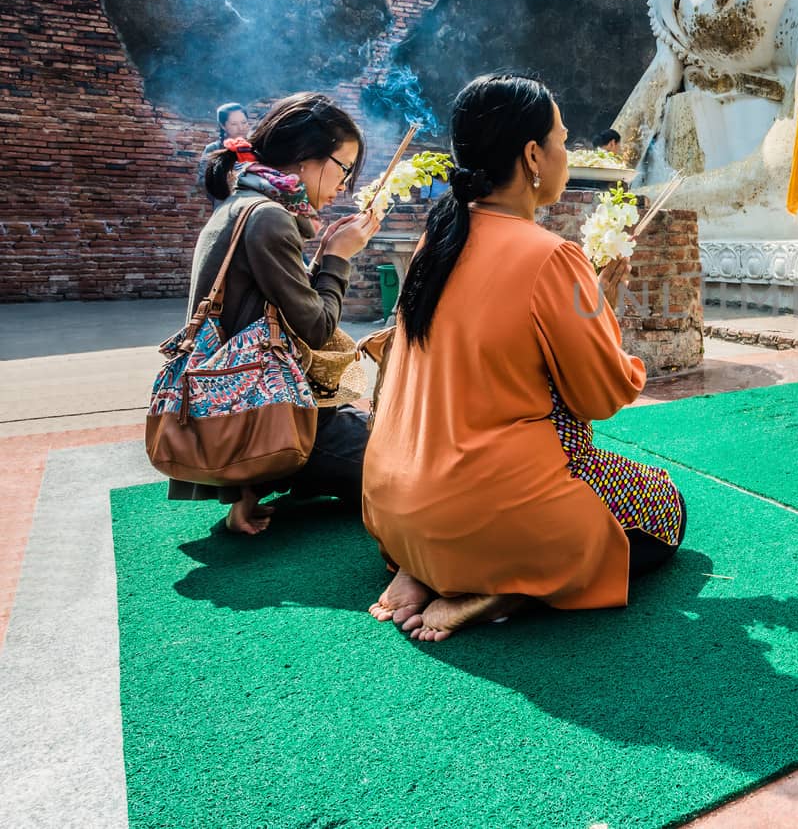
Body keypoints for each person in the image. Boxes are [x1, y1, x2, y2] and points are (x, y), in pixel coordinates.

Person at [362, 74, 686, 642]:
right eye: (561, 140)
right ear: (533, 155)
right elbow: (601, 393)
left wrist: (593, 301)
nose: (566, 153)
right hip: (487, 512)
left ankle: (424, 567)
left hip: (394, 508)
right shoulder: (553, 257)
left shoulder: (433, 241)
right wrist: (604, 316)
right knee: (668, 508)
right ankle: (507, 583)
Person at [175, 92, 381, 534]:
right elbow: (317, 327)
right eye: (344, 169)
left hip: (247, 417)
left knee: (386, 433)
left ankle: (270, 475)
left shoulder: (241, 204)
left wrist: (324, 252)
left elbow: (258, 315)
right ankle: (285, 469)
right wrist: (339, 259)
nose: (344, 185)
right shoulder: (269, 218)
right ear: (307, 158)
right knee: (411, 466)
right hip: (278, 422)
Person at [197, 103, 253, 208]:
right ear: (223, 126)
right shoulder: (213, 149)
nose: (241, 128)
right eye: (234, 124)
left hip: (252, 206)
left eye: (244, 122)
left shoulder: (255, 147)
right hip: (225, 205)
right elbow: (202, 181)